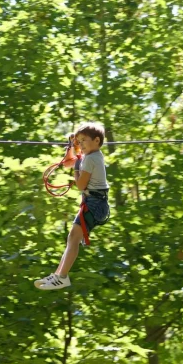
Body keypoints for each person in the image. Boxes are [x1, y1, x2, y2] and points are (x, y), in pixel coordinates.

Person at [35, 122, 110, 290]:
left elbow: (81, 185)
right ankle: (59, 275)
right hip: (94, 203)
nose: (81, 144)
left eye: (84, 140)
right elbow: (69, 162)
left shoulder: (91, 159)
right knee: (72, 238)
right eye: (79, 141)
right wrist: (72, 146)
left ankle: (61, 277)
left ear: (96, 141)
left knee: (73, 238)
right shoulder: (91, 156)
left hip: (95, 204)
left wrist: (76, 169)